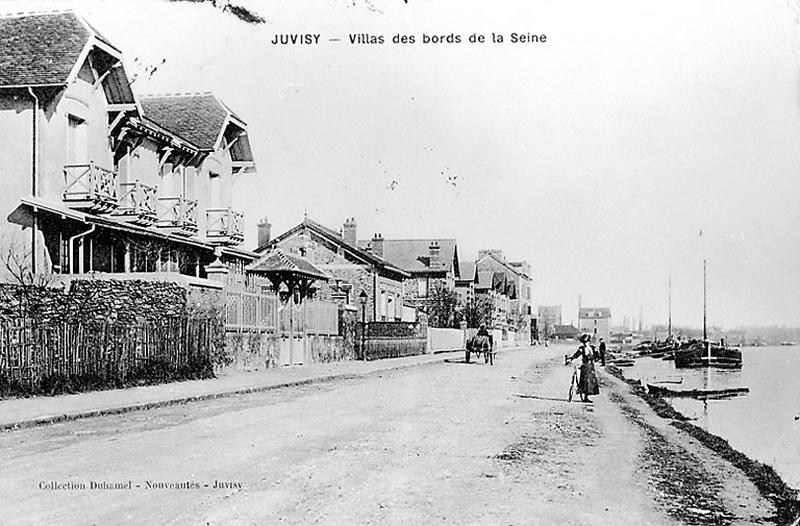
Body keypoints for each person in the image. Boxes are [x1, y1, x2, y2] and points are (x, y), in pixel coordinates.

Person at [570, 334, 600, 402]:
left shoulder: (593, 348)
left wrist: (596, 358)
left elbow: (597, 355)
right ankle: (585, 397)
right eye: (584, 343)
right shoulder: (582, 348)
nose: (585, 344)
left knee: (591, 382)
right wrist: (571, 358)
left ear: (589, 342)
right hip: (585, 366)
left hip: (591, 366)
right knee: (585, 382)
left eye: (586, 342)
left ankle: (587, 397)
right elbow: (577, 354)